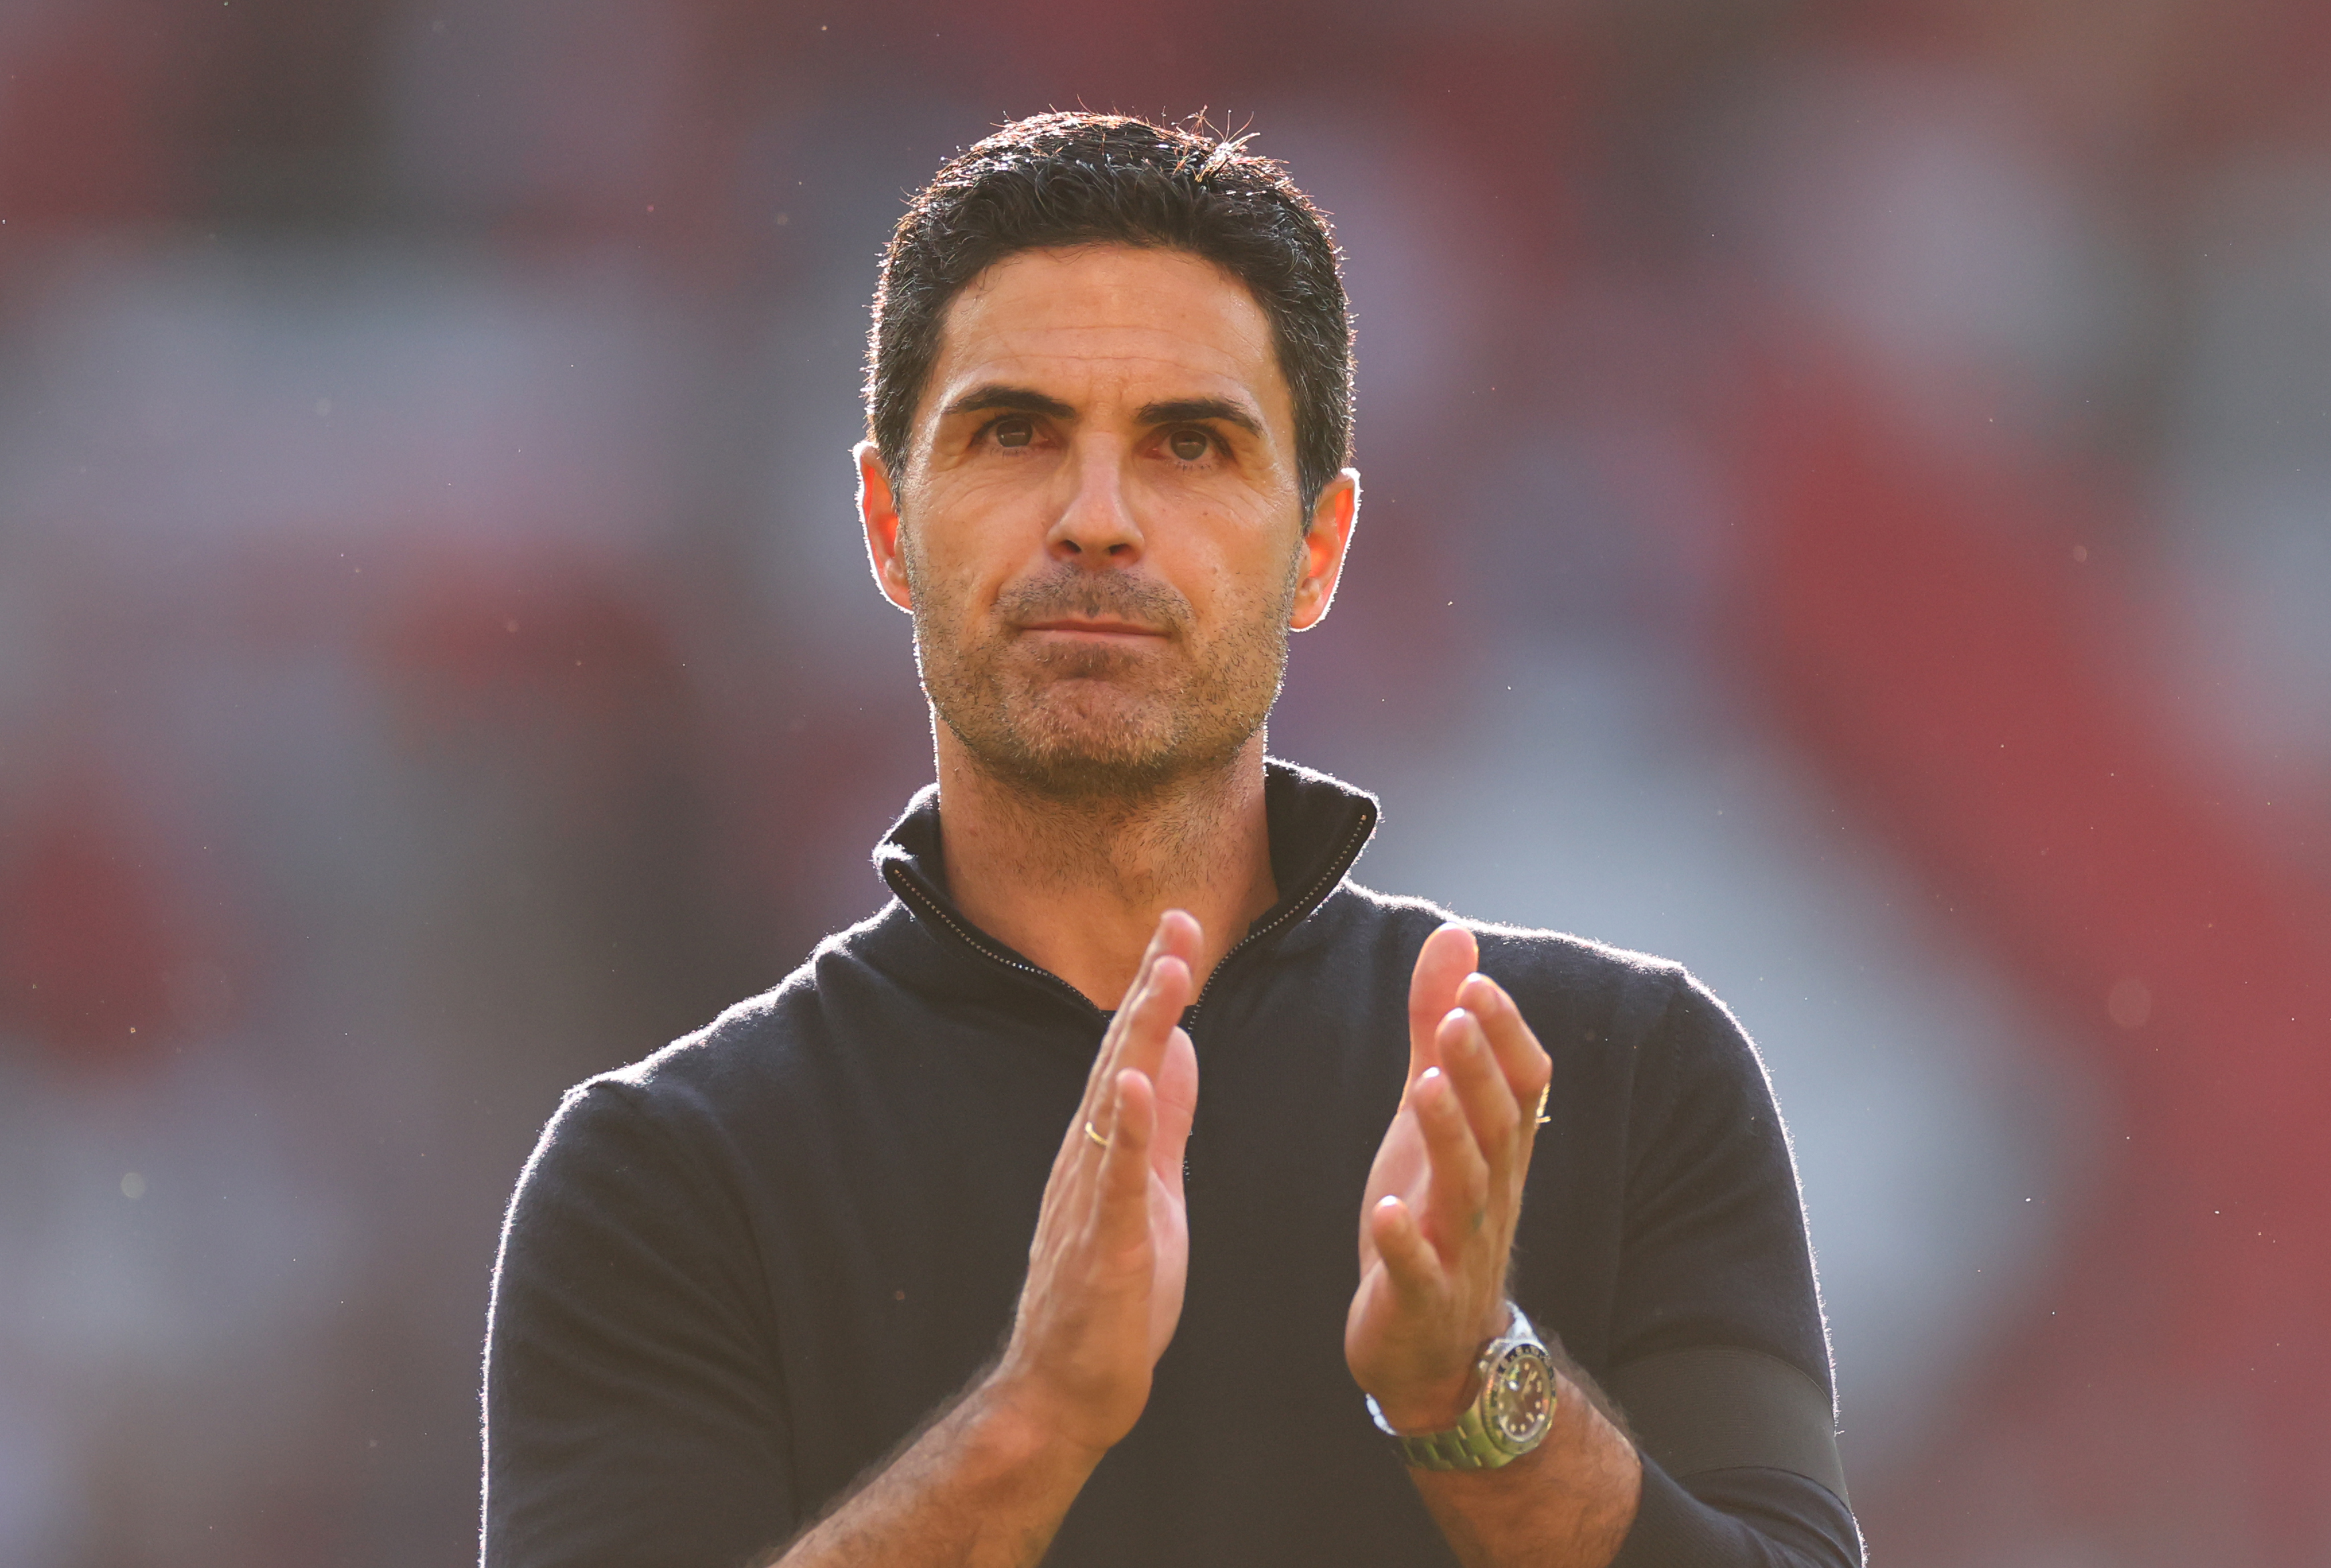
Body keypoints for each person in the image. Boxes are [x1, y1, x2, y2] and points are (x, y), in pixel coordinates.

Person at [481, 112, 1863, 1568]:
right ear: (888, 523)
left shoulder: (1617, 1074)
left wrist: (1469, 1392)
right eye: (1014, 432)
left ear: (1317, 547)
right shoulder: (665, 1176)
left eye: (1189, 444)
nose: (1096, 518)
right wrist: (1035, 1418)